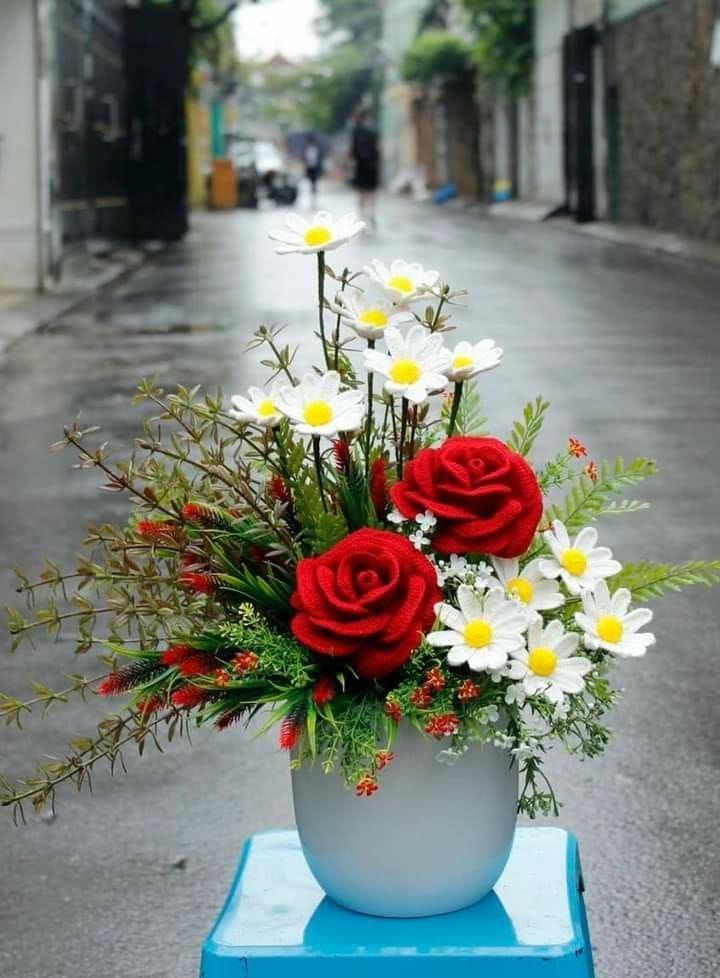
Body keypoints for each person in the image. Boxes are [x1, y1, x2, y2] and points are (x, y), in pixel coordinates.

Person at [350, 108, 380, 227]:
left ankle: (362, 215)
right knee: (372, 191)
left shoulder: (355, 131)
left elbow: (352, 149)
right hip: (372, 165)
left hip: (360, 165)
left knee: (361, 191)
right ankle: (371, 213)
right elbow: (378, 148)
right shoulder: (373, 131)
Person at [303, 134, 323, 203]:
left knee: (314, 181)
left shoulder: (317, 149)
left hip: (315, 168)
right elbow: (304, 159)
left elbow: (320, 159)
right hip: (309, 168)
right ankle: (312, 192)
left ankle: (314, 192)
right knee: (311, 181)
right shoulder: (306, 149)